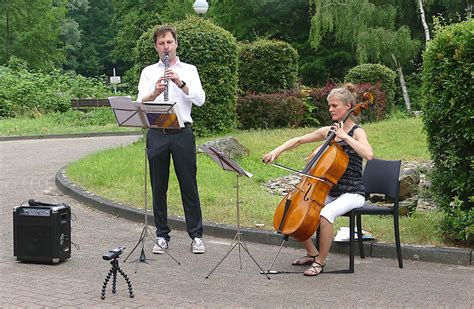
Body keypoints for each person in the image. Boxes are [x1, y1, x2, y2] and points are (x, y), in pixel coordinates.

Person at [263, 83, 373, 276]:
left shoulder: (357, 132)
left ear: (348, 106)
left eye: (334, 105)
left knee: (325, 214)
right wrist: (277, 150)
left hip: (353, 192)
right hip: (329, 190)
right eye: (329, 105)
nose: (330, 109)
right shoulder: (328, 131)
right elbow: (298, 140)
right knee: (295, 210)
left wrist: (345, 138)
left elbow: (369, 154)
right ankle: (312, 253)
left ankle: (320, 262)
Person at [137, 25, 206, 254]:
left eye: (169, 42)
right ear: (156, 47)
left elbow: (200, 100)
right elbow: (140, 102)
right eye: (161, 43)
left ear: (176, 43)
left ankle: (196, 236)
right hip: (157, 133)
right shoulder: (148, 71)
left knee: (189, 185)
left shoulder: (189, 69)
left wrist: (181, 83)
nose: (166, 47)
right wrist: (155, 93)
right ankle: (162, 235)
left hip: (182, 133)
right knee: (159, 186)